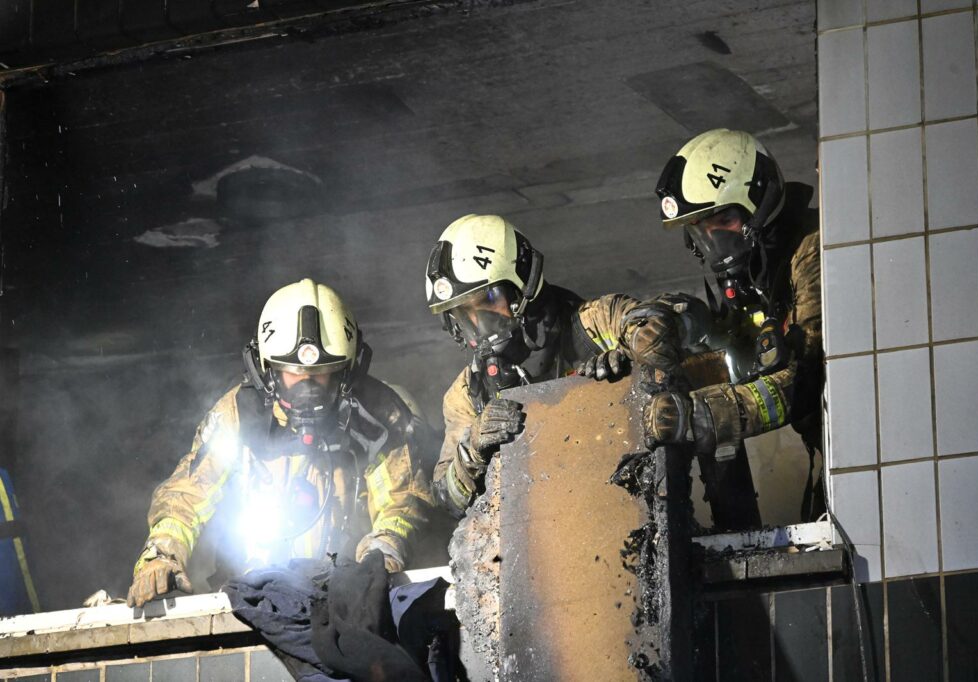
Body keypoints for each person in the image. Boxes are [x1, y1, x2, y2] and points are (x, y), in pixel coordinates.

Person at [127, 279, 435, 607]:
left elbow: (404, 499)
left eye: (320, 373)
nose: (308, 387)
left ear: (346, 370)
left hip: (347, 592)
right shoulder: (238, 416)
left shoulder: (377, 416)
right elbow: (187, 495)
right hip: (253, 592)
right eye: (293, 373)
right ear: (267, 369)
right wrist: (160, 554)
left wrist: (383, 551)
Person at [424, 214, 702, 517]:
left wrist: (631, 362)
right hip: (542, 539)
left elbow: (670, 321)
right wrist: (473, 448)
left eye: (489, 299)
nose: (479, 324)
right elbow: (448, 500)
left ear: (522, 284)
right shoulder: (467, 394)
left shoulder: (594, 324)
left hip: (632, 512)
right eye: (464, 314)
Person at [645, 128, 824, 525]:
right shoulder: (764, 270)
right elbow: (749, 346)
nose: (715, 242)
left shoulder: (813, 253)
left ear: (759, 204)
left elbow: (808, 380)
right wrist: (684, 322)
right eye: (702, 231)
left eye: (723, 220)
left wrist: (705, 415)